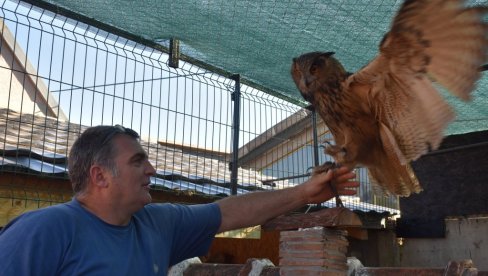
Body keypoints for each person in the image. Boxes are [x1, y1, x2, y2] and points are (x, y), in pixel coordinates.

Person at [0, 125, 359, 275]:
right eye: (138, 161)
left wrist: (303, 193)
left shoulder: (156, 223)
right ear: (99, 176)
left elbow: (225, 213)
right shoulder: (43, 231)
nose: (152, 170)